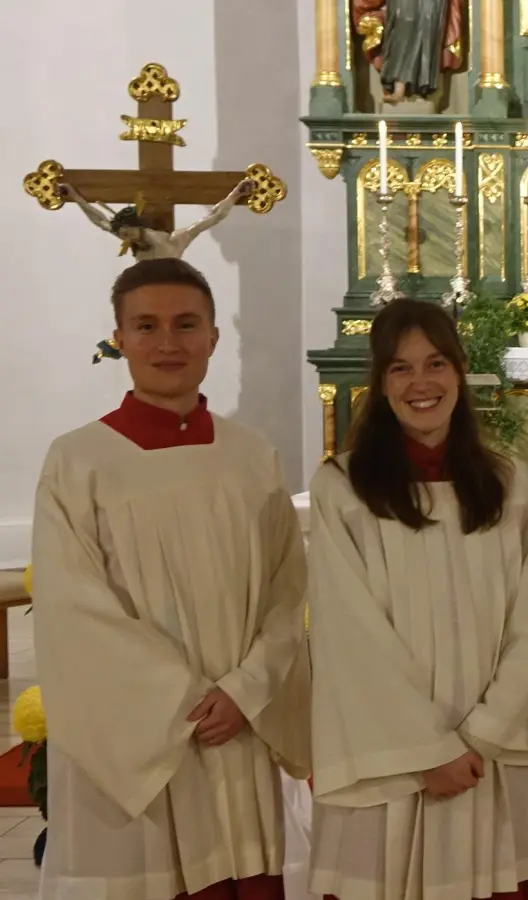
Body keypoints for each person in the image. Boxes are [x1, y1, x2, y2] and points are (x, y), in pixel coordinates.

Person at [31, 257, 310, 900]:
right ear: (119, 339)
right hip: (147, 741)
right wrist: (181, 700)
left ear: (214, 336)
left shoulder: (252, 457)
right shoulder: (78, 462)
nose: (168, 343)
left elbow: (287, 590)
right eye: (147, 326)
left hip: (238, 725)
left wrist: (245, 690)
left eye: (186, 324)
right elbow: (75, 611)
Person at [307, 297, 528, 900]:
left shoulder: (509, 486)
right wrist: (428, 751)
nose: (421, 383)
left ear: (459, 369)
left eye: (435, 363)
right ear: (380, 382)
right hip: (390, 756)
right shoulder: (343, 488)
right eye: (400, 368)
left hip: (486, 760)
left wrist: (479, 738)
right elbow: (349, 635)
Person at [60, 179, 254, 260]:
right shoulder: (131, 238)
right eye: (123, 236)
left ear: (139, 226)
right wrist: (76, 197)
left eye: (128, 234)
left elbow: (214, 216)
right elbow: (99, 220)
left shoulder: (176, 240)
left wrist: (236, 193)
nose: (127, 240)